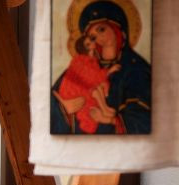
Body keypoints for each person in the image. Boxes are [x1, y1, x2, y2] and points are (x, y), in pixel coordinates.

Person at [50, 0, 151, 135]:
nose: (97, 37)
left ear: (118, 30)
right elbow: (52, 103)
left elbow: (144, 121)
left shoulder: (135, 69)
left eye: (101, 29)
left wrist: (112, 120)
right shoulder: (86, 65)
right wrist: (64, 108)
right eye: (92, 37)